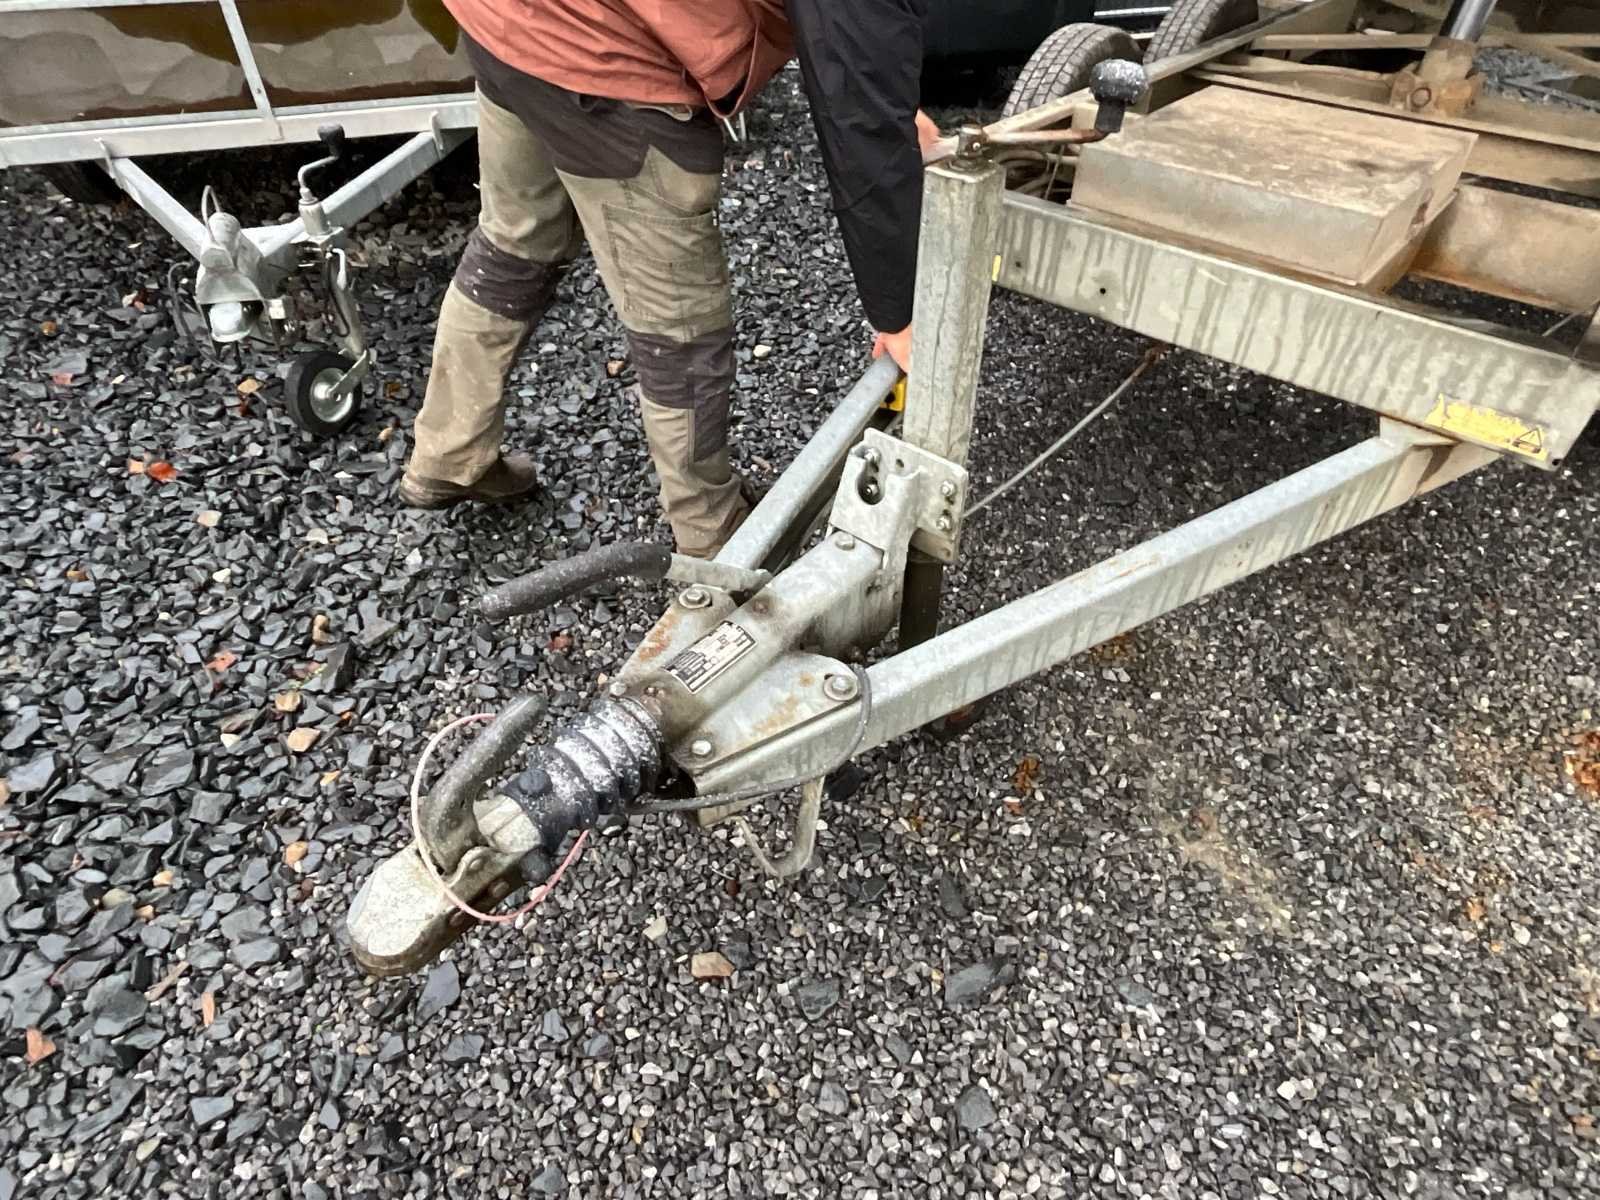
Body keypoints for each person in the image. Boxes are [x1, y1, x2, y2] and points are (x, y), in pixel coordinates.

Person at [399, 0, 937, 559]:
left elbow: (852, 44)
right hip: (604, 63)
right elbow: (859, 117)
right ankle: (712, 537)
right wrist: (898, 313)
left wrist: (889, 103)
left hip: (505, 21)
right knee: (680, 326)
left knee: (514, 246)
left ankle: (449, 449)